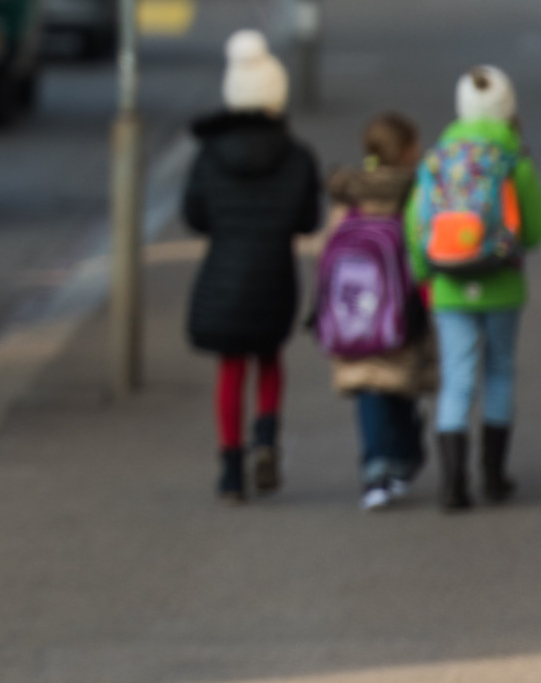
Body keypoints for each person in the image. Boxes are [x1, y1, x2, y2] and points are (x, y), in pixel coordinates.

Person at [182, 29, 323, 502]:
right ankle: (265, 437)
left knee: (231, 366)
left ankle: (229, 465)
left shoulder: (209, 154)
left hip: (223, 271)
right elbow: (308, 220)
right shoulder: (297, 155)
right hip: (275, 273)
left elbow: (195, 215)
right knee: (269, 356)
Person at [408, 67, 541, 512]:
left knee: (457, 377)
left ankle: (452, 483)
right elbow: (536, 231)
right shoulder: (513, 160)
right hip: (502, 282)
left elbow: (416, 227)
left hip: (449, 284)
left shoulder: (435, 161)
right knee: (500, 370)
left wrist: (423, 273)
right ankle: (493, 476)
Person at [319, 112, 435, 511]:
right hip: (400, 311)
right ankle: (401, 458)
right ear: (407, 152)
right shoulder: (414, 193)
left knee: (368, 387)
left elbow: (329, 253)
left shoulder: (348, 195)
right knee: (400, 385)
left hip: (353, 312)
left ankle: (375, 468)